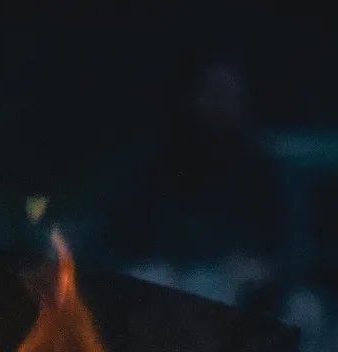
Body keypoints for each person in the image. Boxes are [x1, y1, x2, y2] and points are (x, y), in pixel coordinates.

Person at [74, 49, 289, 308]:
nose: (224, 107)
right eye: (215, 94)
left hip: (238, 306)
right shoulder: (145, 169)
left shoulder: (258, 172)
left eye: (233, 96)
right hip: (154, 301)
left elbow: (281, 250)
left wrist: (259, 269)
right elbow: (102, 244)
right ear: (189, 97)